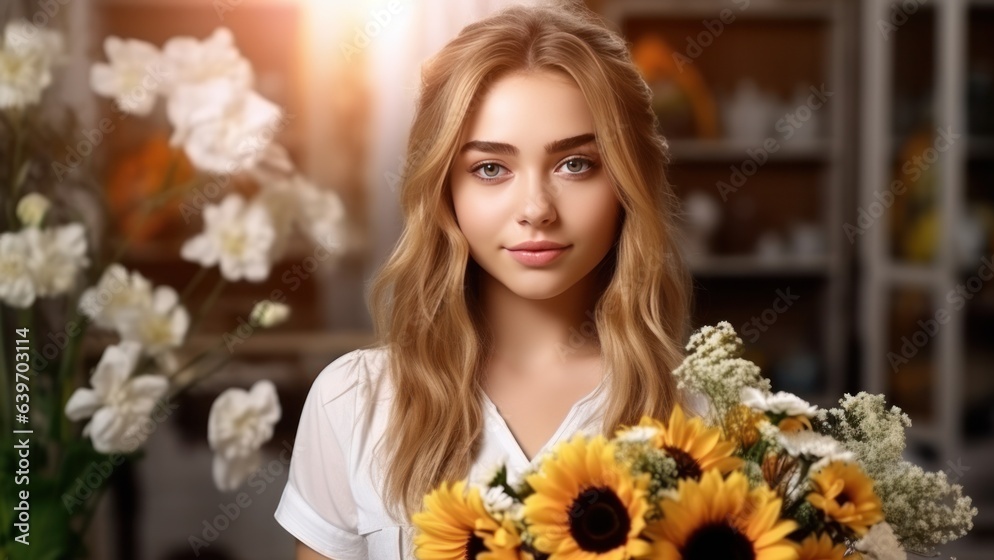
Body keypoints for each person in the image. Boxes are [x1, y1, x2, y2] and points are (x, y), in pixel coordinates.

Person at [274, 1, 693, 558]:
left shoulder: (707, 411)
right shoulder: (352, 402)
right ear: (444, 188)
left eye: (576, 164)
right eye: (490, 168)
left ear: (627, 182)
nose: (537, 208)